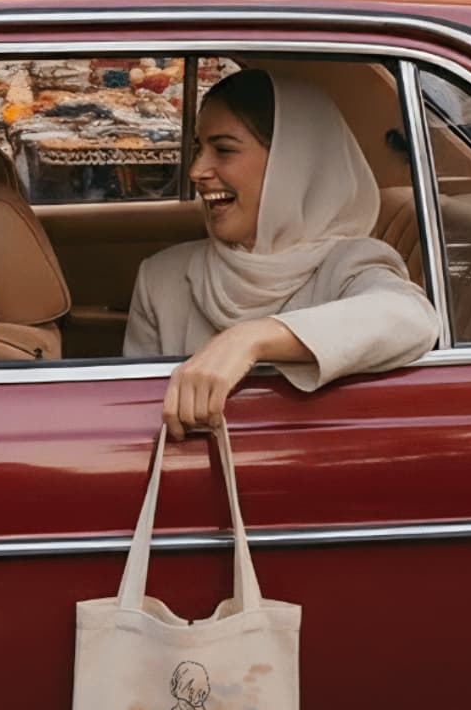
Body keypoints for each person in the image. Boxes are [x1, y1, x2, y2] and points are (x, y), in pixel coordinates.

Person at [125, 67, 440, 437]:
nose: (196, 170)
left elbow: (410, 318)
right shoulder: (160, 277)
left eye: (223, 149)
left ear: (290, 163)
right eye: (198, 148)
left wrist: (250, 339)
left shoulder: (348, 264)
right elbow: (137, 415)